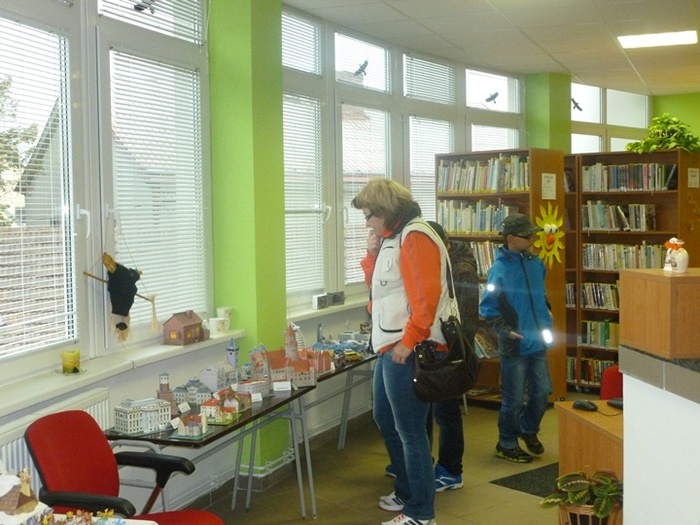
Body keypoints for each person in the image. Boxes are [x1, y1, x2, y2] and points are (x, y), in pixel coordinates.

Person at [352, 178, 452, 525]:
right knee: (384, 417)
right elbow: (379, 289)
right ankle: (408, 491)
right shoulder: (393, 237)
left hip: (408, 347)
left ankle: (421, 513)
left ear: (386, 210)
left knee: (411, 432)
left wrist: (408, 342)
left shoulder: (415, 236)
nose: (367, 223)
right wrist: (371, 254)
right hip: (389, 343)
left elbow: (426, 298)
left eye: (369, 216)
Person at [478, 213, 554, 464]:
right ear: (511, 239)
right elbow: (487, 307)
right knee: (513, 398)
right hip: (515, 344)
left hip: (538, 341)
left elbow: (539, 294)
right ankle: (507, 443)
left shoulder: (536, 263)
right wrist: (505, 329)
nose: (533, 239)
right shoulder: (498, 270)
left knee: (542, 392)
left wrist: (547, 310)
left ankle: (528, 429)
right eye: (528, 235)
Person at [424, 221, 479, 491]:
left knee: (446, 412)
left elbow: (465, 319)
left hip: (449, 352)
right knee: (427, 410)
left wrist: (455, 354)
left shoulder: (460, 270)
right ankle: (422, 463)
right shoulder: (439, 262)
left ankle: (450, 470)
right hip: (432, 349)